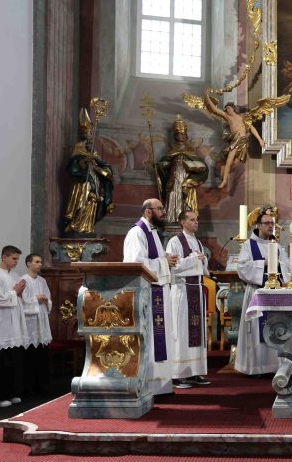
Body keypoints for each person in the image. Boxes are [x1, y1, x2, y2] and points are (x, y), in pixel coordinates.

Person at [123, 199, 178, 396]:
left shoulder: (152, 232)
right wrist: (164, 262)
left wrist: (165, 261)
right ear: (148, 211)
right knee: (152, 341)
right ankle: (149, 387)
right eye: (160, 208)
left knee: (161, 340)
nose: (163, 212)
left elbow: (153, 261)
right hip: (148, 294)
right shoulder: (137, 232)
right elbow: (135, 264)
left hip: (159, 292)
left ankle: (161, 386)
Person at [235, 209, 290, 376]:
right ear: (258, 225)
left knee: (275, 328)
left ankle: (274, 366)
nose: (271, 226)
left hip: (275, 294)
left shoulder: (277, 246)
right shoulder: (248, 245)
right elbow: (242, 267)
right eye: (267, 223)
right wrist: (263, 263)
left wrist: (278, 263)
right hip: (257, 293)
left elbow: (288, 266)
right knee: (256, 330)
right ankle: (257, 367)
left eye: (272, 223)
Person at [166, 209, 211, 389]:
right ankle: (178, 375)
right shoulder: (174, 241)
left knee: (197, 332)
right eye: (192, 220)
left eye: (197, 219)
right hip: (181, 291)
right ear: (182, 222)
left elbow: (203, 267)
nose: (196, 222)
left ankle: (194, 371)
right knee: (181, 332)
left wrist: (202, 259)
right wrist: (194, 258)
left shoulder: (198, 242)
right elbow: (173, 265)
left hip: (196, 289)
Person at [0, 245, 28, 408]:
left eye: (17, 259)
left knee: (11, 362)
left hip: (12, 325)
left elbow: (18, 297)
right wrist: (15, 292)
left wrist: (19, 293)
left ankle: (10, 392)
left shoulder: (14, 275)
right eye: (14, 258)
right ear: (4, 257)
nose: (16, 262)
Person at [62, 108, 115, 235]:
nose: (91, 135)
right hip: (83, 182)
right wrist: (85, 160)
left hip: (94, 179)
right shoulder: (79, 147)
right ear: (84, 134)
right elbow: (74, 165)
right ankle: (76, 225)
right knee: (83, 201)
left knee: (93, 202)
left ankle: (87, 227)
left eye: (91, 133)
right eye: (89, 133)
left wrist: (103, 170)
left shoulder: (93, 150)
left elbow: (101, 163)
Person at [156, 115, 209, 220]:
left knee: (185, 196)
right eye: (179, 134)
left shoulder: (190, 149)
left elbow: (198, 162)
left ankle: (187, 219)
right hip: (173, 175)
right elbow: (167, 162)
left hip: (186, 176)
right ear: (175, 135)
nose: (181, 136)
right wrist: (161, 165)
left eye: (183, 134)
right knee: (172, 194)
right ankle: (172, 218)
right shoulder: (172, 149)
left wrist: (192, 166)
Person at [20, 253, 53, 394]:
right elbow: (21, 303)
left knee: (41, 352)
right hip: (30, 322)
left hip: (42, 319)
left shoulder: (42, 281)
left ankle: (42, 385)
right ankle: (28, 386)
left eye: (40, 262)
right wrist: (36, 300)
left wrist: (45, 300)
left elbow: (48, 299)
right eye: (37, 262)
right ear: (29, 264)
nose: (40, 264)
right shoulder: (23, 280)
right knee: (30, 354)